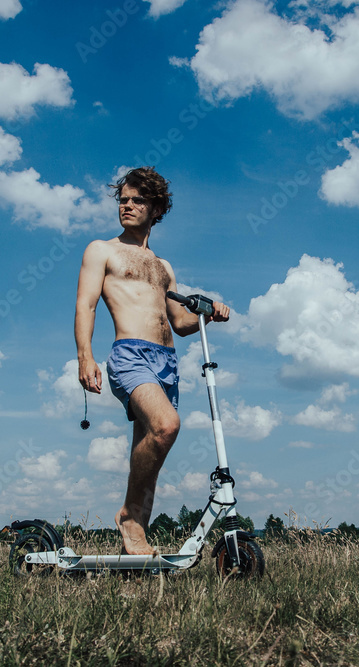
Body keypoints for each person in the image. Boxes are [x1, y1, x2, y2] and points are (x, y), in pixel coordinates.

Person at [75, 167, 230, 555]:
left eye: (136, 200)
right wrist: (85, 356)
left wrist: (209, 315)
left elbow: (179, 323)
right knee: (167, 426)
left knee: (151, 448)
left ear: (156, 207)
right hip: (129, 355)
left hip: (167, 360)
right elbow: (86, 304)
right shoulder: (102, 249)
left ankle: (135, 544)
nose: (126, 206)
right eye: (123, 200)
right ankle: (129, 516)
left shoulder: (164, 267)